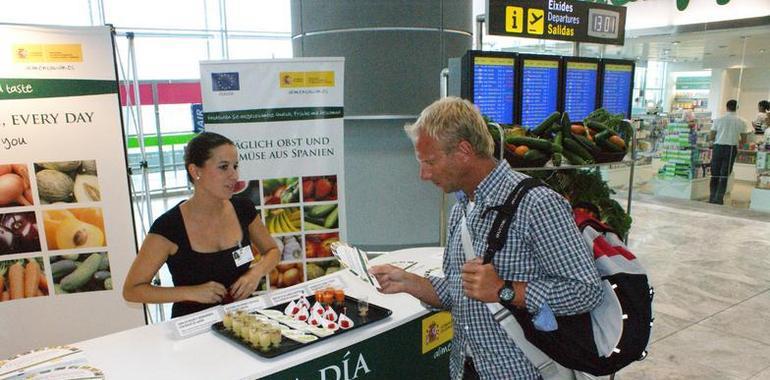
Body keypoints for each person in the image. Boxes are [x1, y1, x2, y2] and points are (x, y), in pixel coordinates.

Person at [369, 97, 602, 379]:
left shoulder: (537, 204)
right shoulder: (461, 211)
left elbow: (586, 291)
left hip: (524, 372)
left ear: (464, 150)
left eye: (430, 161)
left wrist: (506, 290)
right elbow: (461, 293)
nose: (423, 174)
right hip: (466, 369)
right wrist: (408, 282)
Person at [123, 132, 279, 318]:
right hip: (193, 329)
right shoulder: (169, 226)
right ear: (195, 171)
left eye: (235, 166)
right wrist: (190, 292)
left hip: (244, 322)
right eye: (224, 167)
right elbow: (132, 290)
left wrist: (255, 273)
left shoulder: (243, 208)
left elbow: (272, 251)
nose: (234, 175)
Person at [709, 99, 752, 205]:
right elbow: (744, 140)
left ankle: (712, 197)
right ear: (737, 108)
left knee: (715, 173)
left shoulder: (718, 120)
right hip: (731, 149)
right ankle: (719, 199)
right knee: (724, 174)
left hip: (718, 147)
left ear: (726, 107)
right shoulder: (742, 121)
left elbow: (711, 136)